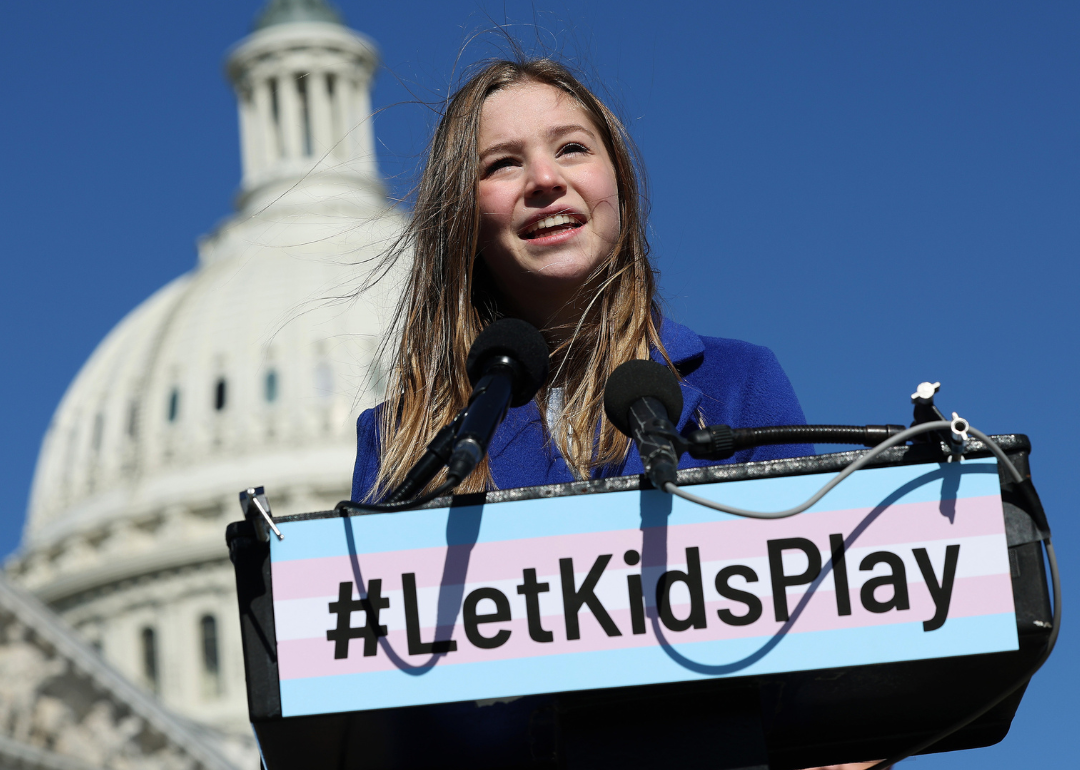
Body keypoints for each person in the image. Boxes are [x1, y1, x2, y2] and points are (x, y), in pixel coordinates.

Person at [352, 58, 810, 503]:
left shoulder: (740, 382)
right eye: (502, 163)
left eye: (572, 148)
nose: (545, 179)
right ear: (460, 222)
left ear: (620, 185)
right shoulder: (396, 441)